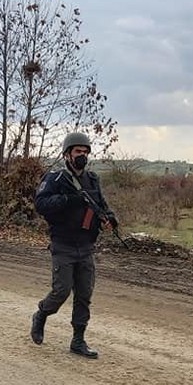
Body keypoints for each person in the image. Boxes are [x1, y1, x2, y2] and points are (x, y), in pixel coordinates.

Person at [29, 132, 118, 359]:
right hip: (63, 245)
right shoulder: (56, 179)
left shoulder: (92, 180)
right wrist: (68, 200)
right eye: (78, 151)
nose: (83, 156)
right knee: (61, 291)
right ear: (68, 154)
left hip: (86, 246)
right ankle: (41, 314)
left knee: (84, 295)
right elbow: (40, 204)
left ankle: (78, 341)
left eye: (86, 152)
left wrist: (110, 217)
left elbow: (102, 205)